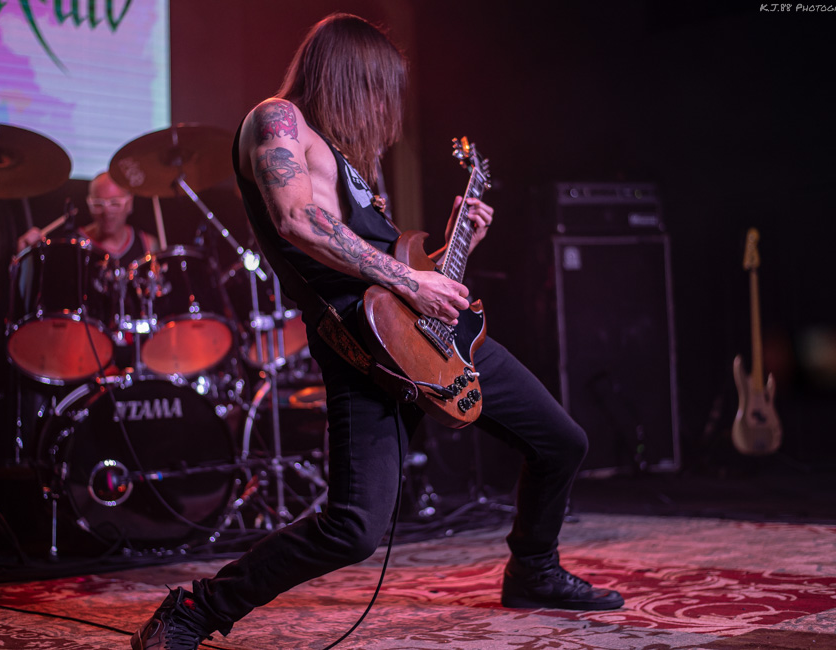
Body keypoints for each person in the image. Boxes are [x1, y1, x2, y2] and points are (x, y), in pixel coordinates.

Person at [132, 13, 623, 650]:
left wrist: (454, 245)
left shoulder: (350, 165)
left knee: (561, 441)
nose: (386, 110)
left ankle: (533, 569)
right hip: (360, 353)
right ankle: (196, 608)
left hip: (430, 342)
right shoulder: (277, 121)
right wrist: (412, 280)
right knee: (354, 529)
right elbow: (298, 221)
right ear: (350, 77)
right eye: (381, 90)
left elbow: (398, 267)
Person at [16, 171, 159, 265]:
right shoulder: (73, 245)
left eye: (115, 203)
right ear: (88, 204)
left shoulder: (148, 245)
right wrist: (26, 256)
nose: (106, 211)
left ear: (130, 203)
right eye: (98, 204)